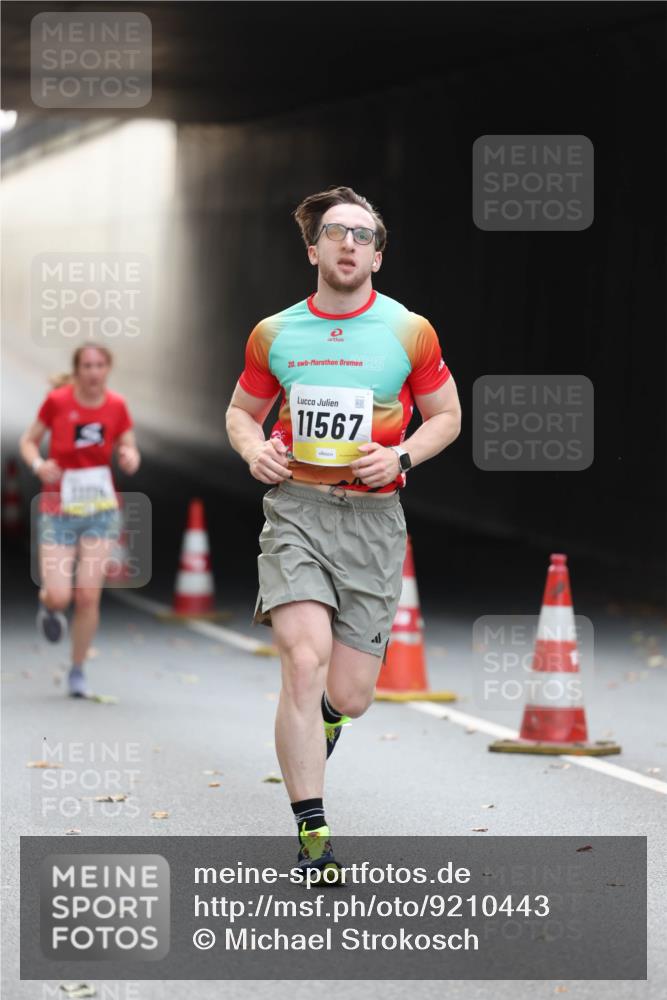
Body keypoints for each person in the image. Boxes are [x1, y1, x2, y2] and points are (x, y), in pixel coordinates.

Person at [226, 186, 461, 879]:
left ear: (378, 256)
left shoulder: (409, 331)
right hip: (296, 508)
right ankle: (313, 835)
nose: (348, 243)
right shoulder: (275, 332)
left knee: (351, 693)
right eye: (335, 232)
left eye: (362, 235)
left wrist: (401, 454)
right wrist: (252, 449)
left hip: (373, 518)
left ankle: (327, 720)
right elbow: (242, 411)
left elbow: (446, 415)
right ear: (313, 248)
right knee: (303, 660)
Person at [19, 343, 141, 698]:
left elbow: (129, 446)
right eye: (86, 365)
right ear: (76, 370)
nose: (93, 371)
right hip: (58, 510)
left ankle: (77, 668)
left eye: (100, 365)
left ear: (108, 368)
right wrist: (39, 465)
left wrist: (129, 456)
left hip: (101, 510)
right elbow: (29, 442)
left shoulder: (117, 406)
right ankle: (50, 606)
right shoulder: (58, 402)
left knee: (88, 596)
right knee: (60, 596)